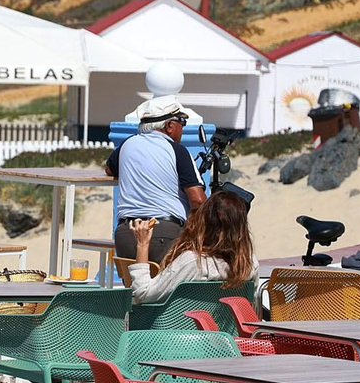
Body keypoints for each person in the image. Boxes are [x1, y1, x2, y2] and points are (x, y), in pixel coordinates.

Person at [104, 95, 207, 280]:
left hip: (126, 234)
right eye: (181, 121)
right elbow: (198, 200)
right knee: (170, 296)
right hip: (164, 233)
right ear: (169, 126)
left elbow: (109, 169)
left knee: (136, 292)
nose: (183, 127)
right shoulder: (177, 151)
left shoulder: (126, 145)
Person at [127, 189, 256, 303]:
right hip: (227, 330)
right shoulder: (249, 263)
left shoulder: (193, 262)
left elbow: (142, 294)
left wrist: (142, 244)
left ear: (204, 222)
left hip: (183, 330)